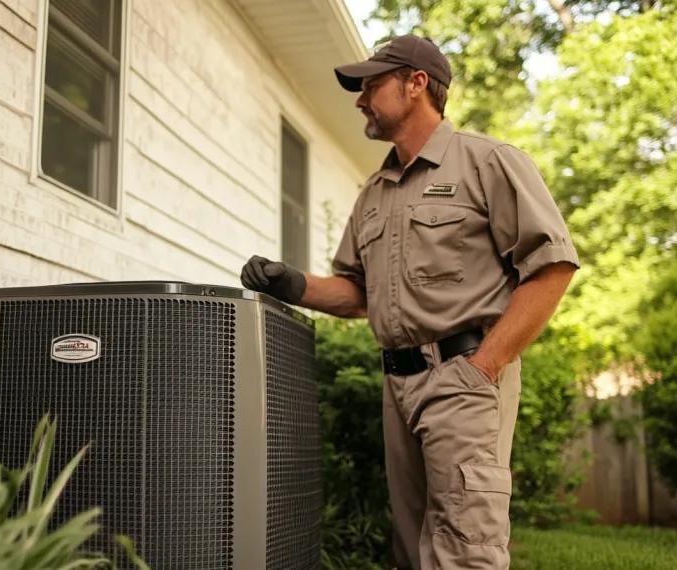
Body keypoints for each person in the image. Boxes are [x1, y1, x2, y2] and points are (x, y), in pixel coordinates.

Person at [240, 34, 579, 570]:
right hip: (397, 388)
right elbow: (357, 294)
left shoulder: (487, 162)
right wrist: (291, 283)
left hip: (463, 380)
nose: (359, 100)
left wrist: (484, 367)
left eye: (371, 85)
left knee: (466, 548)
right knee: (412, 548)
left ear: (416, 84)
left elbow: (553, 267)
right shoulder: (375, 192)